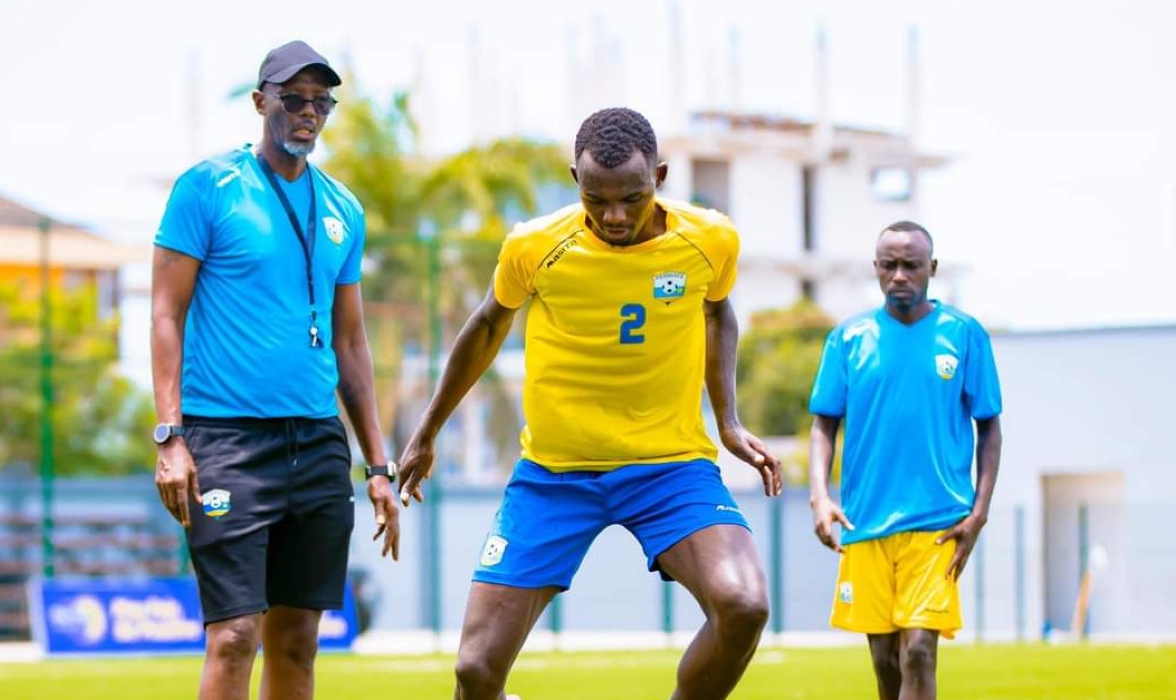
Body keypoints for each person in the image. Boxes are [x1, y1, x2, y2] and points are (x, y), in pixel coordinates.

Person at [397, 107, 782, 700]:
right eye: (596, 199)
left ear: (661, 174)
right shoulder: (535, 245)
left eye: (632, 197)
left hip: (670, 467)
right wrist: (426, 432)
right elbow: (486, 326)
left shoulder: (710, 239)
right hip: (554, 474)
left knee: (744, 604)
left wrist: (727, 419)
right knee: (475, 674)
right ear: (574, 178)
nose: (614, 216)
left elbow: (716, 309)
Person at [150, 40, 400, 700]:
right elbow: (166, 314)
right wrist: (170, 436)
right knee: (234, 635)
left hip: (317, 444)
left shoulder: (344, 208)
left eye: (321, 102)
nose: (307, 113)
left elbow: (350, 342)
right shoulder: (207, 188)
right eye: (293, 98)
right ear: (262, 102)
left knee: (298, 639)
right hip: (225, 443)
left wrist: (378, 465)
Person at [807, 221, 1003, 700]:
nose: (899, 275)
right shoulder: (848, 338)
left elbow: (990, 426)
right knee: (885, 663)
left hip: (938, 523)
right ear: (875, 269)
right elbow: (823, 425)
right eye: (889, 265)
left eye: (910, 265)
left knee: (918, 650)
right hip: (866, 521)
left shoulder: (964, 335)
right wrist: (819, 497)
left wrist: (979, 513)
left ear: (931, 269)